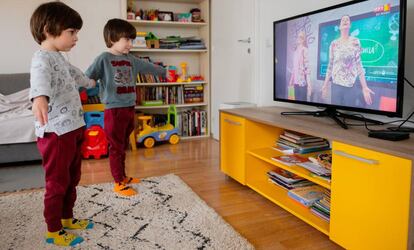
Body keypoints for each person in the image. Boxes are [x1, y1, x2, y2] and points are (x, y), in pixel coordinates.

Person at [29, 1, 95, 247]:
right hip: (56, 131)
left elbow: (75, 74)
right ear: (49, 29)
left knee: (72, 177)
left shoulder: (59, 57)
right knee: (57, 182)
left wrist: (89, 82)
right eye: (71, 32)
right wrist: (39, 98)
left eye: (76, 32)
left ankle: (67, 217)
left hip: (73, 127)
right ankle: (53, 230)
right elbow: (40, 81)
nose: (76, 37)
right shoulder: (41, 60)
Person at [85, 19, 166, 196]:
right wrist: (85, 87)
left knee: (122, 146)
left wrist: (165, 72)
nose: (130, 44)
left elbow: (150, 67)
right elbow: (87, 77)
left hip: (129, 108)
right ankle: (118, 182)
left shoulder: (131, 59)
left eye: (131, 40)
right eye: (127, 40)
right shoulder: (104, 59)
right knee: (115, 147)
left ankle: (123, 176)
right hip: (113, 110)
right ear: (112, 38)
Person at [322, 15, 374, 107]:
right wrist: (325, 85)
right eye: (343, 20)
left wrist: (364, 87)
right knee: (335, 112)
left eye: (347, 20)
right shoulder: (334, 43)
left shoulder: (355, 41)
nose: (345, 21)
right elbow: (330, 66)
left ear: (350, 25)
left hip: (350, 86)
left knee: (348, 113)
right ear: (340, 26)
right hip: (336, 85)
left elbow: (359, 65)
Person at [288, 30, 312, 101]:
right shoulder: (295, 51)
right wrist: (291, 81)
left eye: (301, 37)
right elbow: (294, 68)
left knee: (302, 102)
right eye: (298, 37)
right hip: (295, 83)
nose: (299, 38)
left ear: (304, 39)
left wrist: (309, 85)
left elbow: (307, 68)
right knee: (295, 102)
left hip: (302, 82)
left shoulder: (305, 50)